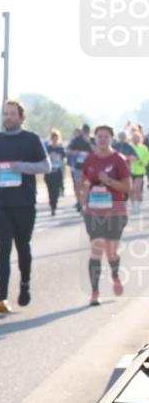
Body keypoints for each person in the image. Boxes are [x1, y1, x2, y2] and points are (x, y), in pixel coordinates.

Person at [0, 99, 51, 313]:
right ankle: (2, 298)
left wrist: (21, 167)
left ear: (21, 118)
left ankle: (25, 284)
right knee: (3, 248)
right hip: (2, 203)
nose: (8, 117)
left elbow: (47, 166)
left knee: (22, 246)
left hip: (24, 203)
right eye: (5, 113)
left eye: (12, 114)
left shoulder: (31, 139)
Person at [82, 125, 133, 305]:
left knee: (111, 253)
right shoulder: (89, 159)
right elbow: (84, 182)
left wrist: (108, 180)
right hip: (94, 212)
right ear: (95, 139)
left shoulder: (119, 159)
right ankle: (95, 292)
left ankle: (115, 274)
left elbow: (128, 187)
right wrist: (83, 201)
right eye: (99, 136)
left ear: (111, 139)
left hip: (115, 211)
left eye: (106, 136)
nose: (102, 139)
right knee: (96, 250)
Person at [67, 126, 94, 213]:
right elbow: (67, 150)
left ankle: (87, 203)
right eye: (84, 132)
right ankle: (79, 202)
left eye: (87, 132)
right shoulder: (76, 140)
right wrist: (74, 152)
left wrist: (89, 142)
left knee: (88, 186)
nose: (86, 133)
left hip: (91, 167)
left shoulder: (93, 140)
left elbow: (97, 151)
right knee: (77, 187)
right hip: (78, 167)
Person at [44, 129, 66, 216]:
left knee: (55, 190)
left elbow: (64, 158)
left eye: (56, 138)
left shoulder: (60, 148)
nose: (55, 140)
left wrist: (60, 159)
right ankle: (51, 204)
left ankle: (54, 206)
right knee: (50, 190)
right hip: (49, 172)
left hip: (58, 171)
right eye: (53, 138)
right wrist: (50, 157)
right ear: (51, 139)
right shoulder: (47, 148)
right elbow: (43, 158)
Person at [130, 128, 147, 215]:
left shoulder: (143, 148)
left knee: (137, 188)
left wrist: (141, 162)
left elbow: (147, 158)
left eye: (137, 138)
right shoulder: (129, 147)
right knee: (131, 189)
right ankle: (133, 204)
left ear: (140, 138)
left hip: (140, 171)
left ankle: (138, 204)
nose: (135, 139)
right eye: (134, 138)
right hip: (130, 171)